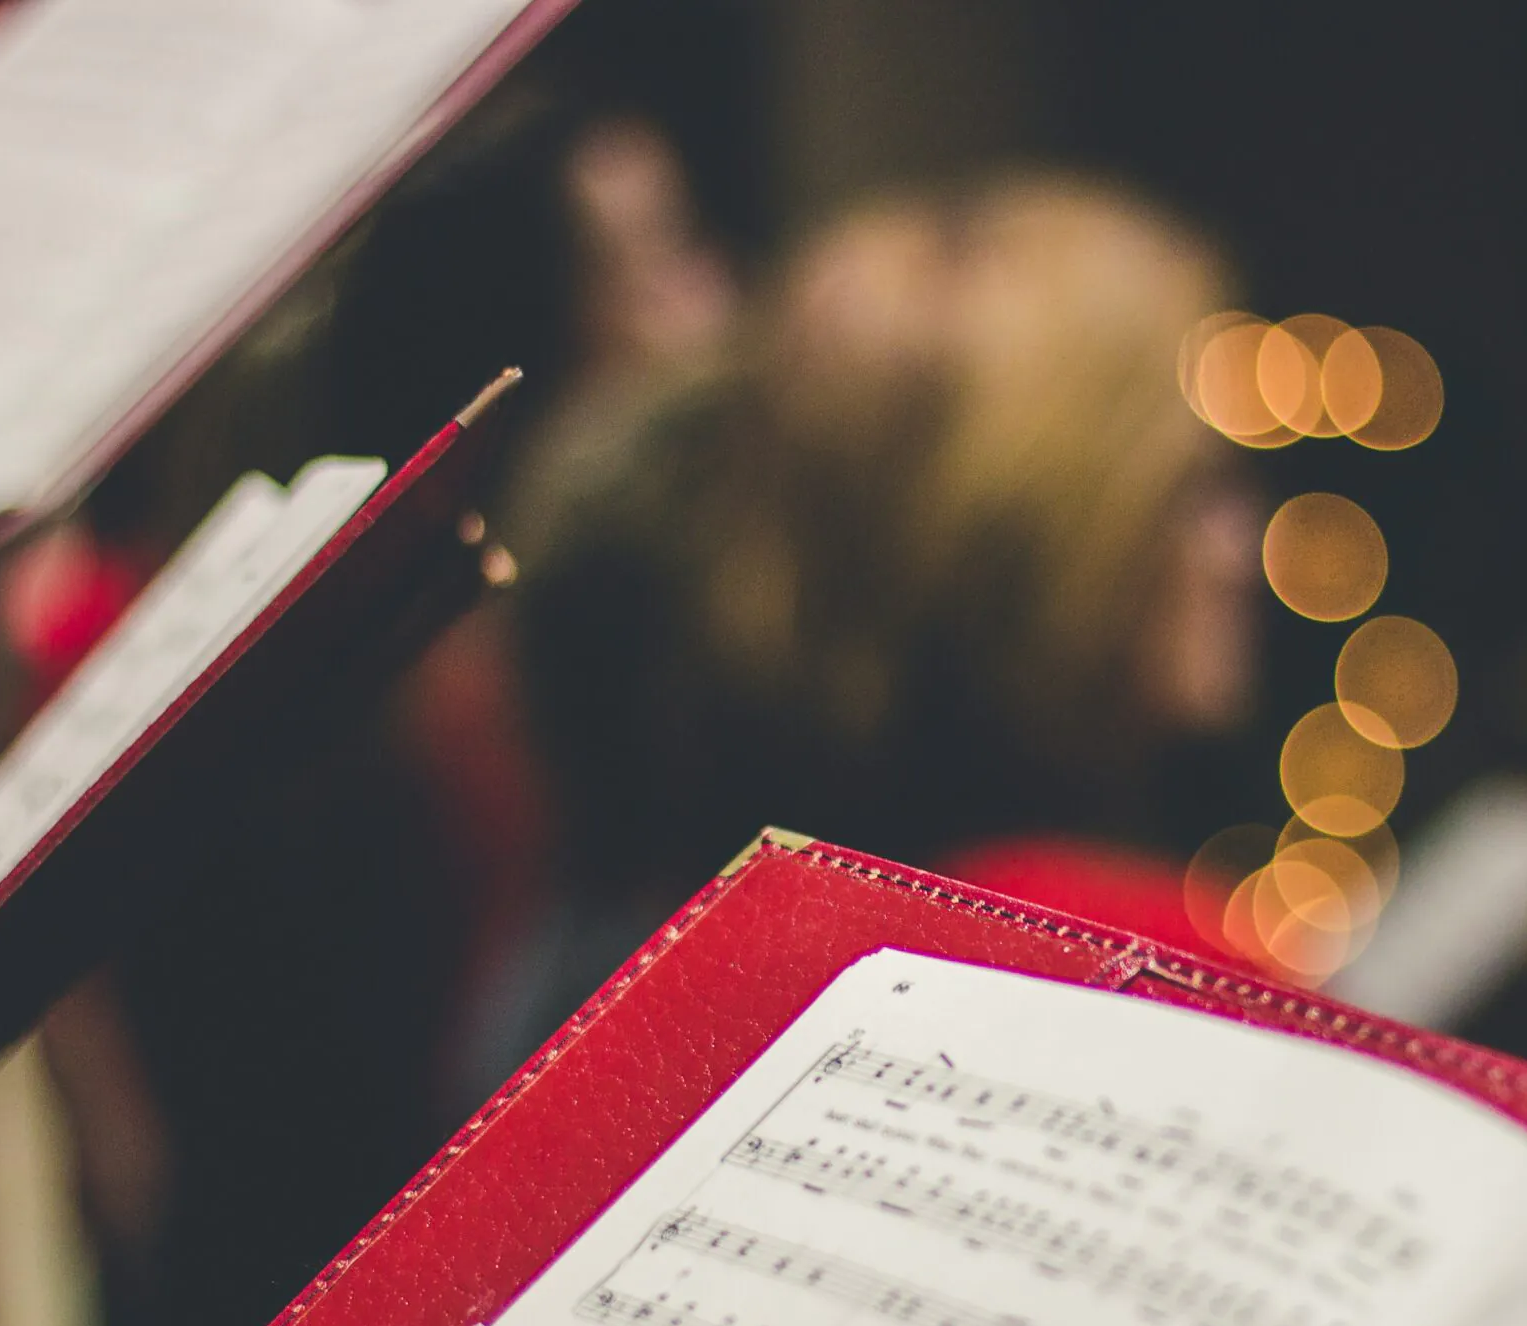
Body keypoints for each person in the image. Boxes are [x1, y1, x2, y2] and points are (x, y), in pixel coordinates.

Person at [456, 174, 1264, 1103]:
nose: (1238, 548)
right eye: (1194, 489)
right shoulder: (1144, 966)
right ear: (1041, 542)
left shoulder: (676, 955)